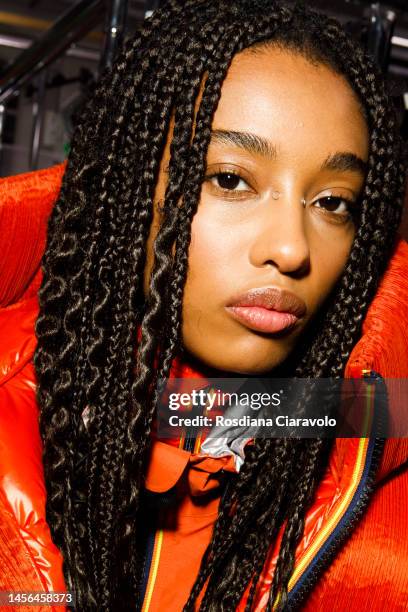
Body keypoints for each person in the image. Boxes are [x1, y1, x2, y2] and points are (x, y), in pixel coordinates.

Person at [0, 0, 407, 610]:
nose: (292, 249)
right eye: (230, 180)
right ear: (132, 185)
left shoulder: (371, 431)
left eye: (333, 202)